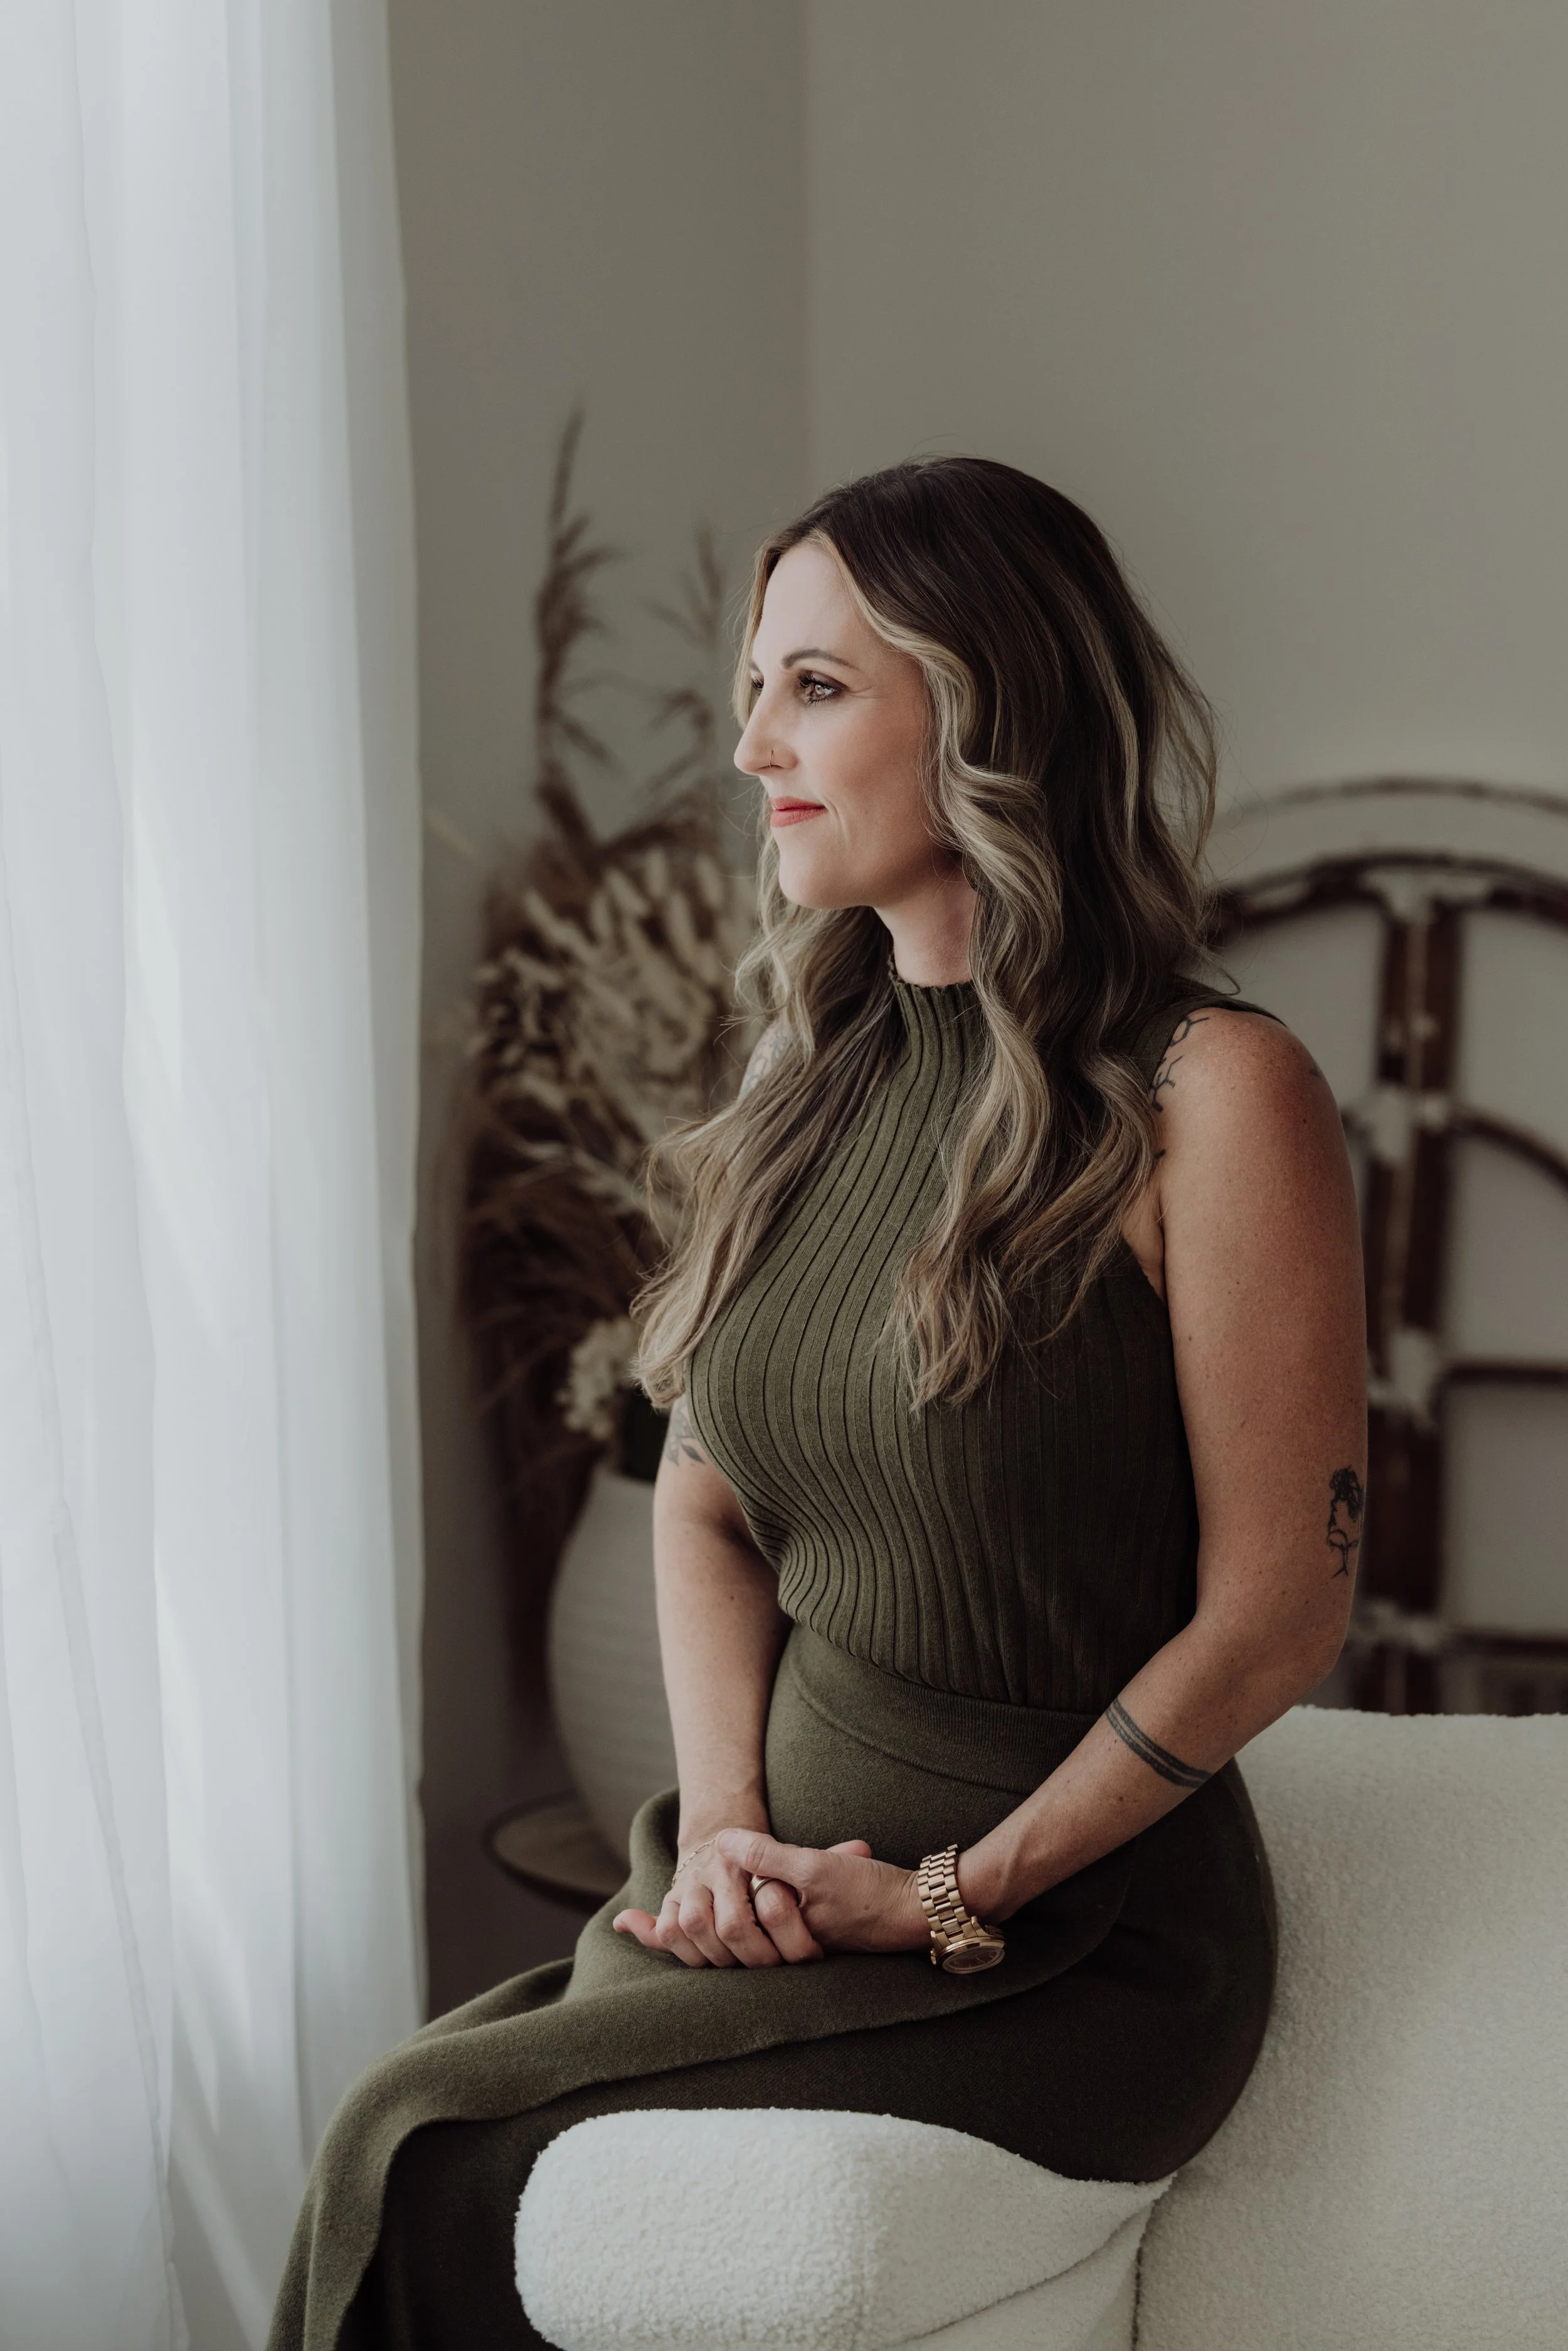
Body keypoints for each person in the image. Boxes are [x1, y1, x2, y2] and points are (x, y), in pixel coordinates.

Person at [269, 457, 1367, 2351]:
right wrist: (722, 1832)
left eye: (818, 688)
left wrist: (948, 1890)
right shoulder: (812, 1067)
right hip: (764, 1885)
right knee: (396, 2136)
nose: (753, 743)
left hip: (1068, 1940)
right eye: (752, 688)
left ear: (990, 708)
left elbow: (1278, 1607)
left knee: (442, 2167)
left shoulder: (1212, 1093)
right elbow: (700, 1500)